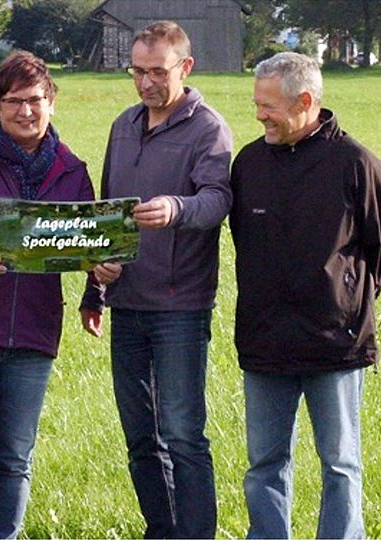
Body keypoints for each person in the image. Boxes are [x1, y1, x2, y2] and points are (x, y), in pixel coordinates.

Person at [0, 51, 110, 539]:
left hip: (34, 330)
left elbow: (92, 241)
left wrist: (98, 285)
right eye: (13, 101)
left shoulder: (73, 171)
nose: (25, 111)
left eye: (34, 100)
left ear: (52, 101)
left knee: (14, 455)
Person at [229, 52, 381, 539]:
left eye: (268, 106)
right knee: (264, 463)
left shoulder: (356, 164)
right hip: (264, 340)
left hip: (335, 343)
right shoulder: (247, 163)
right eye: (256, 104)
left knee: (340, 463)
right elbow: (243, 237)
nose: (259, 115)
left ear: (305, 101)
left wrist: (347, 298)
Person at [80, 20, 233, 539]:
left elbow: (218, 199)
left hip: (180, 307)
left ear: (184, 68)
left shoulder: (208, 128)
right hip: (127, 303)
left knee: (184, 435)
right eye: (137, 72)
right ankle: (162, 530)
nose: (145, 83)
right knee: (140, 435)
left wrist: (176, 207)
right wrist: (94, 285)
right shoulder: (123, 125)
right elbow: (107, 213)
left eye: (157, 72)